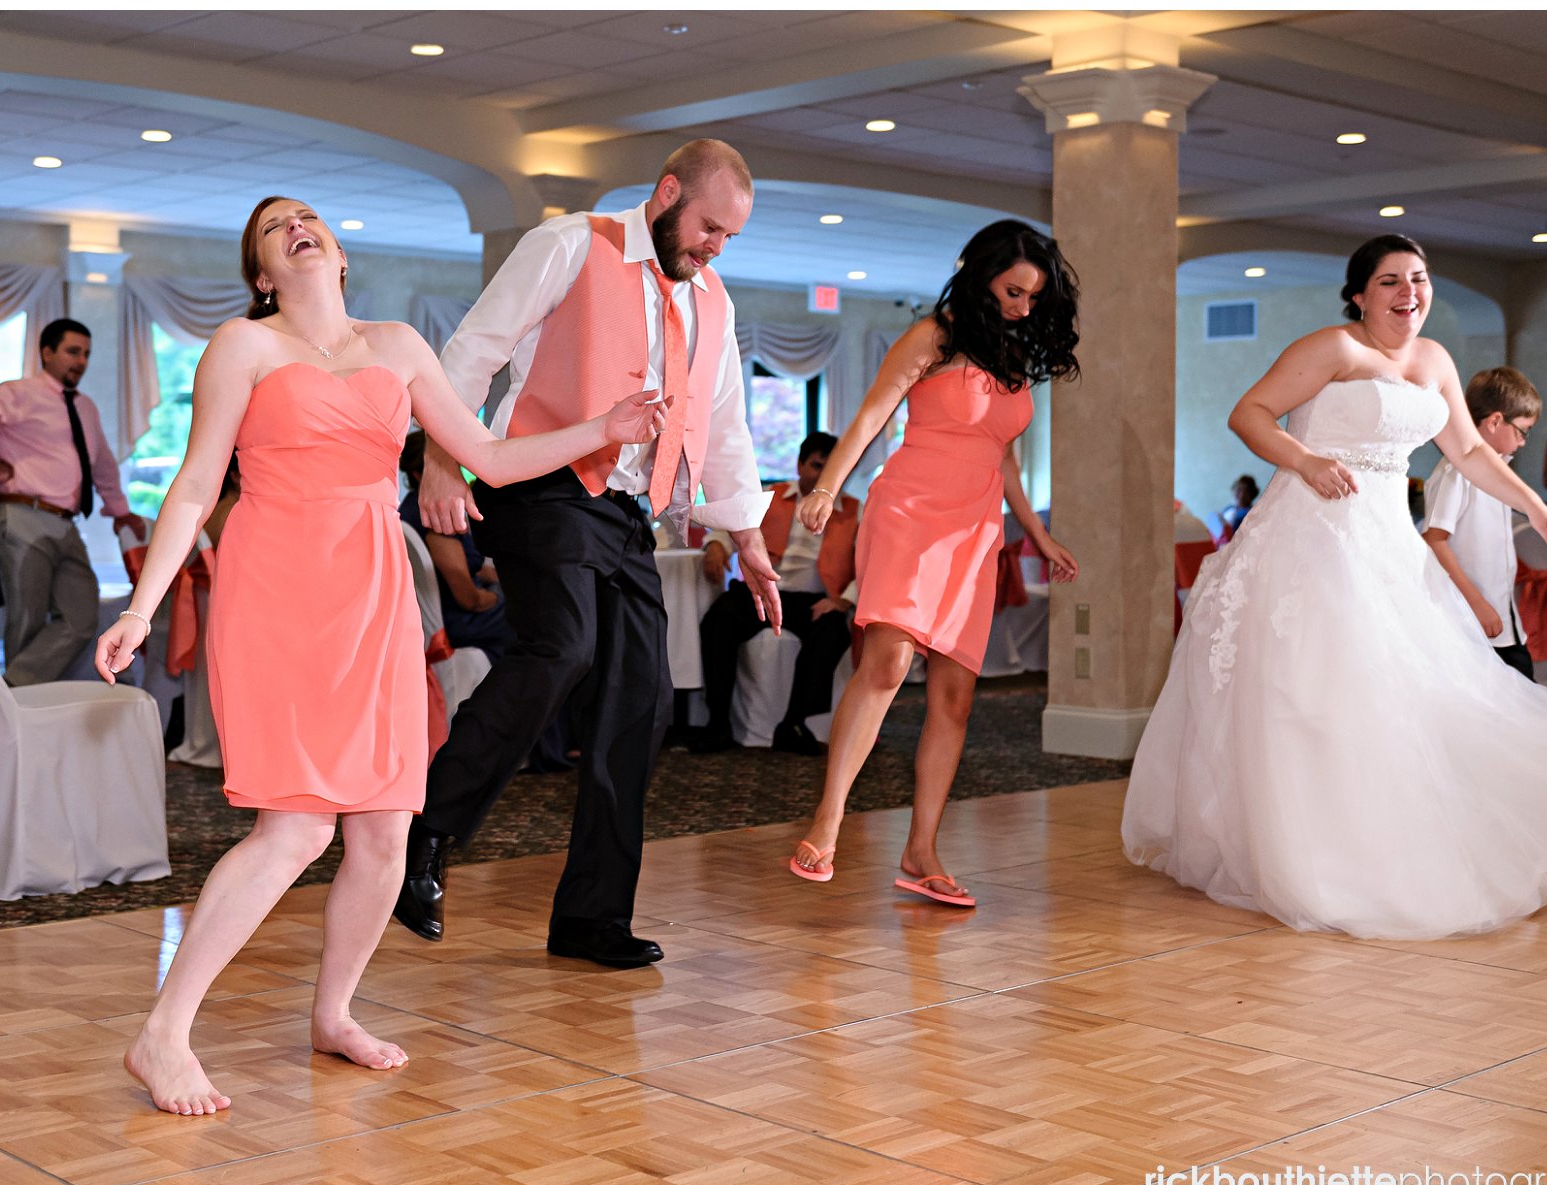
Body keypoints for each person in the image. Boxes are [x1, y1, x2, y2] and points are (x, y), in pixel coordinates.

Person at [92, 195, 666, 1116]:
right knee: (295, 828)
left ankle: (334, 1014)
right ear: (261, 275)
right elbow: (198, 485)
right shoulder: (244, 349)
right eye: (274, 229)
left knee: (386, 827)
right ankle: (163, 1035)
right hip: (277, 586)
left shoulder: (398, 344)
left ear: (340, 251)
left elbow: (486, 454)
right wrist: (143, 608)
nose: (296, 228)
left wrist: (605, 429)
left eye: (308, 217)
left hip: (375, 590)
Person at [1121, 234, 1547, 941]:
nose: (1409, 293)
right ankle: (1303, 851)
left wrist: (1537, 507)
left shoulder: (1434, 360)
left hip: (1387, 542)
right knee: (1313, 691)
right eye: (1391, 281)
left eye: (1419, 280)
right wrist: (1306, 460)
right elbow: (1248, 413)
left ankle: (1383, 834)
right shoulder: (1333, 349)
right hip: (1311, 534)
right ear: (1360, 294)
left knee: (1408, 687)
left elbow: (1468, 450)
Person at [395, 139, 778, 964]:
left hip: (624, 508)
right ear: (668, 192)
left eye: (729, 237)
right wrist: (438, 456)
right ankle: (425, 831)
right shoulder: (570, 244)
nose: (715, 246)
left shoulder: (712, 302)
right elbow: (473, 351)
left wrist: (747, 536)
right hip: (536, 480)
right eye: (710, 226)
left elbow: (726, 429)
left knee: (642, 700)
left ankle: (590, 918)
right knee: (561, 647)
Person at [787, 220, 1080, 904]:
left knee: (955, 694)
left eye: (1034, 298)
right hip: (910, 510)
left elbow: (1002, 454)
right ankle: (826, 824)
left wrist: (1035, 533)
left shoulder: (1011, 353)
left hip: (974, 530)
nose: (1022, 307)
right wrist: (828, 487)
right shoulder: (932, 336)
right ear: (981, 275)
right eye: (1013, 291)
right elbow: (871, 415)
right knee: (888, 661)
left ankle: (921, 853)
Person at [0, 319, 146, 684]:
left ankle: (14, 690)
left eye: (86, 354)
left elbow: (102, 462)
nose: (81, 361)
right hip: (21, 514)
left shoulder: (85, 407)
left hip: (65, 522)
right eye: (73, 351)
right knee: (28, 617)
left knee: (82, 616)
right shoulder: (21, 392)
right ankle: (18, 710)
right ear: (47, 352)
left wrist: (120, 512)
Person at [694, 430, 858, 755]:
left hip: (813, 600)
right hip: (761, 591)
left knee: (833, 632)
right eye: (815, 466)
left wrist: (843, 600)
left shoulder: (855, 510)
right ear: (799, 465)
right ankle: (718, 723)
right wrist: (714, 545)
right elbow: (731, 529)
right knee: (718, 620)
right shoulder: (772, 495)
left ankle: (794, 724)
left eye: (830, 468)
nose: (821, 475)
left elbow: (869, 561)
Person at [1422, 367, 1542, 680]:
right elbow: (1434, 541)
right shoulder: (1456, 472)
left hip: (1503, 618)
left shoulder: (1499, 473)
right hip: (1470, 619)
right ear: (1494, 422)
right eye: (1522, 431)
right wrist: (1477, 603)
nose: (1524, 442)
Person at [398, 430, 515, 662]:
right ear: (422, 473)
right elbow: (469, 598)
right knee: (540, 621)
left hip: (436, 615)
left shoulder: (409, 509)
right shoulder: (438, 518)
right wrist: (505, 597)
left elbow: (463, 567)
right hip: (459, 620)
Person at [1219, 474, 1258, 539]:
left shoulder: (1252, 513)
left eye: (1245, 491)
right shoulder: (1229, 508)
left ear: (1252, 494)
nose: (1241, 495)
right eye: (1239, 489)